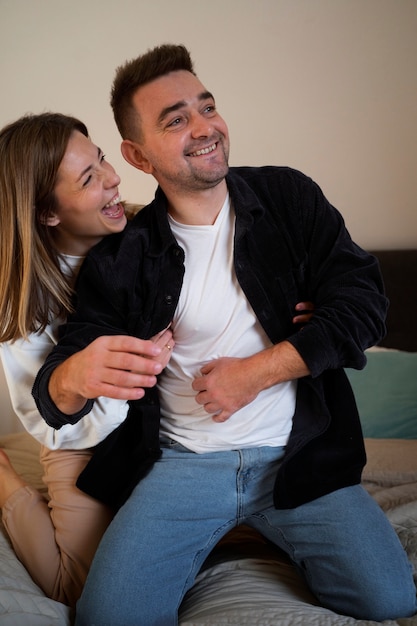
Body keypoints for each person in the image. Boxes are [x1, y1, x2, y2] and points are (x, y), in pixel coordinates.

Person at [33, 45, 417, 625]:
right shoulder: (122, 256)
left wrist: (259, 371)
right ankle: (224, 534)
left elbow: (365, 305)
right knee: (107, 618)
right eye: (176, 119)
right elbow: (57, 386)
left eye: (206, 106)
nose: (205, 128)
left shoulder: (289, 197)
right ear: (137, 155)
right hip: (182, 465)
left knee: (391, 601)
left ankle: (258, 531)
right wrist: (72, 376)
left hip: (298, 458)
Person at [0, 112, 175, 607]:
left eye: (101, 159)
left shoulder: (152, 233)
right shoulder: (23, 301)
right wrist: (122, 379)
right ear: (47, 213)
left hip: (161, 421)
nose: (114, 178)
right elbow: (50, 425)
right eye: (89, 178)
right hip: (77, 440)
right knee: (77, 587)